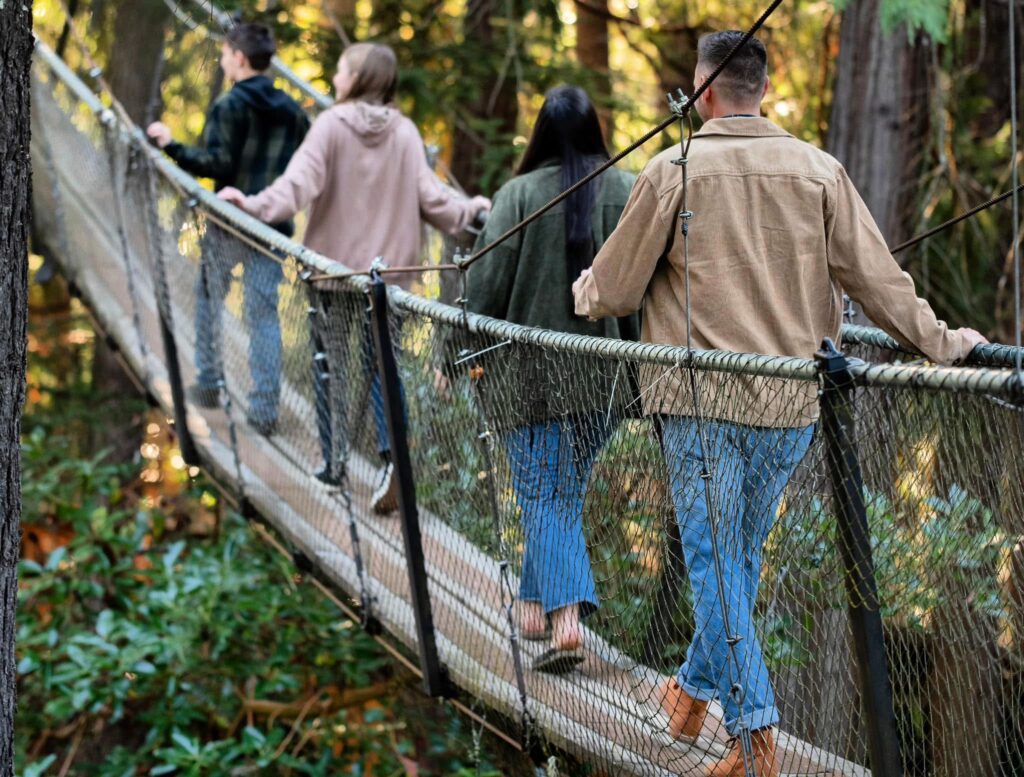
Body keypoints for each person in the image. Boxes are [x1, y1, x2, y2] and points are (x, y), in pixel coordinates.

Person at [572, 30, 988, 776]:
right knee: (733, 560)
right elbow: (880, 282)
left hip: (701, 403)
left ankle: (755, 736)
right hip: (790, 408)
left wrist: (584, 289)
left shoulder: (677, 168)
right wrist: (944, 342)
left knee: (713, 559)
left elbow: (616, 291)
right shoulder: (818, 170)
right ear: (760, 91)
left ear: (701, 95)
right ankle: (692, 692)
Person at [219, 43, 490, 510]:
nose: (335, 78)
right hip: (388, 281)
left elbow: (297, 185)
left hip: (332, 273)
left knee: (330, 368)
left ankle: (333, 463)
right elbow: (434, 201)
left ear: (359, 77)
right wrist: (474, 211)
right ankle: (393, 462)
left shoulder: (330, 125)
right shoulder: (405, 133)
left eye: (341, 71)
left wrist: (253, 204)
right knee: (384, 368)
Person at [464, 86, 639, 674]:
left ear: (538, 133)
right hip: (603, 380)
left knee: (544, 495)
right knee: (558, 494)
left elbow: (482, 288)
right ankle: (532, 608)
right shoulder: (625, 188)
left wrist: (455, 353)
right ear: (595, 132)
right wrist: (641, 369)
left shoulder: (517, 196)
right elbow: (647, 286)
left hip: (528, 379)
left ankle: (564, 622)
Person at [147, 22, 309, 436]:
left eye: (223, 55)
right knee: (263, 314)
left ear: (239, 57)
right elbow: (305, 171)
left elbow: (216, 164)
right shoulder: (294, 113)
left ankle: (209, 383)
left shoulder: (229, 105)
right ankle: (264, 408)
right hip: (272, 227)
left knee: (209, 297)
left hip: (228, 222)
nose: (222, 61)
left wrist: (169, 145)